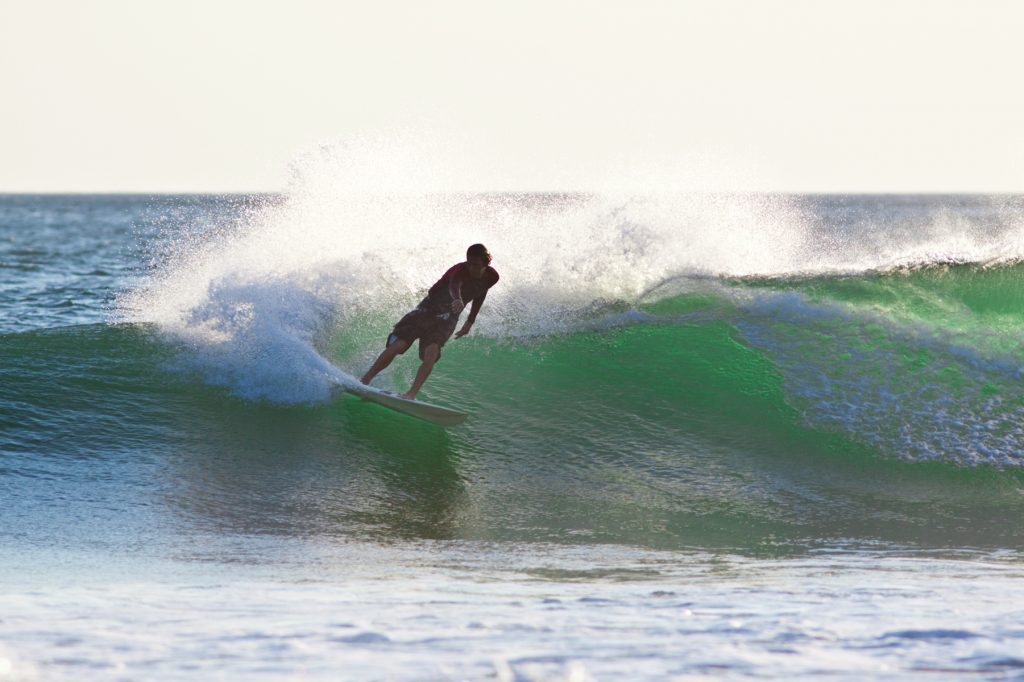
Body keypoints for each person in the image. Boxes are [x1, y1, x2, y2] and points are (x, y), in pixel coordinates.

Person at [361, 244, 499, 400]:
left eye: (476, 265)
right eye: (469, 263)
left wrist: (470, 320)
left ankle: (411, 394)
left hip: (449, 315)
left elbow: (481, 292)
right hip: (429, 307)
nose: (471, 268)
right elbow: (455, 285)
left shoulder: (492, 277)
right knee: (400, 344)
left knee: (432, 353)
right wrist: (458, 299)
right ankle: (365, 379)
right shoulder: (460, 270)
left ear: (486, 264)